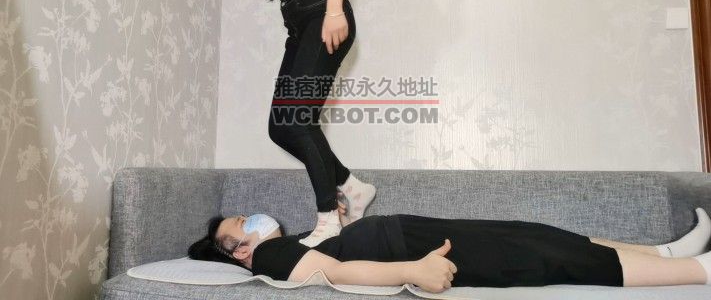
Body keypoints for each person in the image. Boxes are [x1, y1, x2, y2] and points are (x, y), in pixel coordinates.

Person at [173, 0, 376, 247]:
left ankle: (329, 218)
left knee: (298, 121)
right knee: (281, 126)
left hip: (322, 8)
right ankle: (351, 186)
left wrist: (334, 11)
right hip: (297, 20)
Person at [187, 207, 711, 293]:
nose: (255, 219)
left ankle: (664, 252)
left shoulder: (289, 241)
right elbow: (334, 274)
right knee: (544, 257)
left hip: (412, 231)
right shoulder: (270, 257)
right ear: (240, 251)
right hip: (411, 248)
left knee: (537, 234)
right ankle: (697, 271)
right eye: (244, 224)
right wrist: (412, 270)